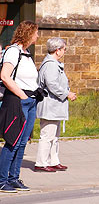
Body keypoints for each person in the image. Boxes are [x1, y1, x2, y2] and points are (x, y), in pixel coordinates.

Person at [0, 20, 41, 192]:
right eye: (36, 32)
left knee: (23, 142)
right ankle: (2, 179)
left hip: (30, 101)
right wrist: (22, 95)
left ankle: (14, 177)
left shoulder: (27, 53)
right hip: (18, 100)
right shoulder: (13, 52)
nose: (38, 36)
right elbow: (5, 76)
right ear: (28, 33)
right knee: (13, 141)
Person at [35, 38, 76, 172]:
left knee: (54, 135)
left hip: (54, 105)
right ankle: (41, 162)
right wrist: (67, 93)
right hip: (50, 105)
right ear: (57, 50)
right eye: (64, 49)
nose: (64, 51)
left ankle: (53, 160)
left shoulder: (53, 63)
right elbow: (52, 85)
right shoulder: (51, 64)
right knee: (47, 135)